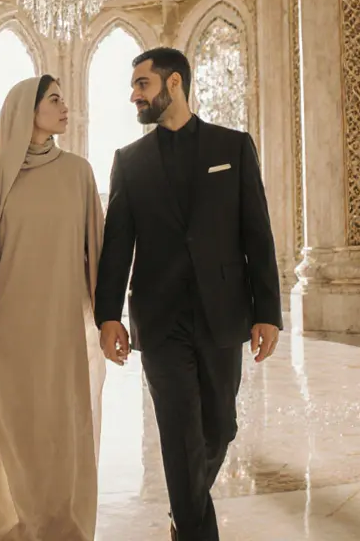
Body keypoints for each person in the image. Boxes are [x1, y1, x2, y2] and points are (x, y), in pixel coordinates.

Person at [95, 48, 283, 540]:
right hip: (159, 322)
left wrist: (268, 312)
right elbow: (117, 246)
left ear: (173, 83)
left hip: (223, 312)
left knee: (219, 428)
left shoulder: (234, 147)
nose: (134, 95)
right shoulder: (128, 162)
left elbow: (256, 234)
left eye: (142, 85)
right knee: (180, 434)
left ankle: (183, 514)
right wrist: (107, 316)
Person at [0, 75, 107, 541]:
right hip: (8, 331)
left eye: (64, 99)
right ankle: (16, 528)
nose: (65, 107)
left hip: (62, 330)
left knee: (62, 432)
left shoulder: (79, 172)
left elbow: (98, 252)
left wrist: (109, 320)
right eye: (55, 100)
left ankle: (60, 528)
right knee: (12, 434)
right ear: (27, 110)